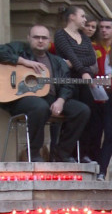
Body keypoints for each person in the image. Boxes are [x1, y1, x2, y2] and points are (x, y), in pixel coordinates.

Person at [0, 25, 90, 162]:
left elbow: (67, 84)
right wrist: (24, 62)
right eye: (36, 37)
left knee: (82, 110)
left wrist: (61, 100)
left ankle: (61, 153)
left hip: (52, 98)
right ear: (28, 38)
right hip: (21, 98)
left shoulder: (58, 62)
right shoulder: (19, 49)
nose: (40, 41)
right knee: (39, 106)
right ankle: (35, 152)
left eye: (44, 38)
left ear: (49, 41)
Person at [53, 6, 100, 165]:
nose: (85, 20)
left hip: (84, 81)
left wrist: (75, 64)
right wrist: (83, 70)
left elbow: (91, 59)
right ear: (72, 17)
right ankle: (66, 152)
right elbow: (70, 54)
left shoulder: (85, 38)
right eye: (82, 16)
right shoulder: (60, 35)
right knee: (73, 116)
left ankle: (84, 153)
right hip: (68, 81)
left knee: (89, 116)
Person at [92, 17, 112, 181]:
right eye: (101, 27)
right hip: (96, 96)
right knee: (95, 133)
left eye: (108, 27)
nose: (104, 30)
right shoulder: (92, 47)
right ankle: (97, 167)